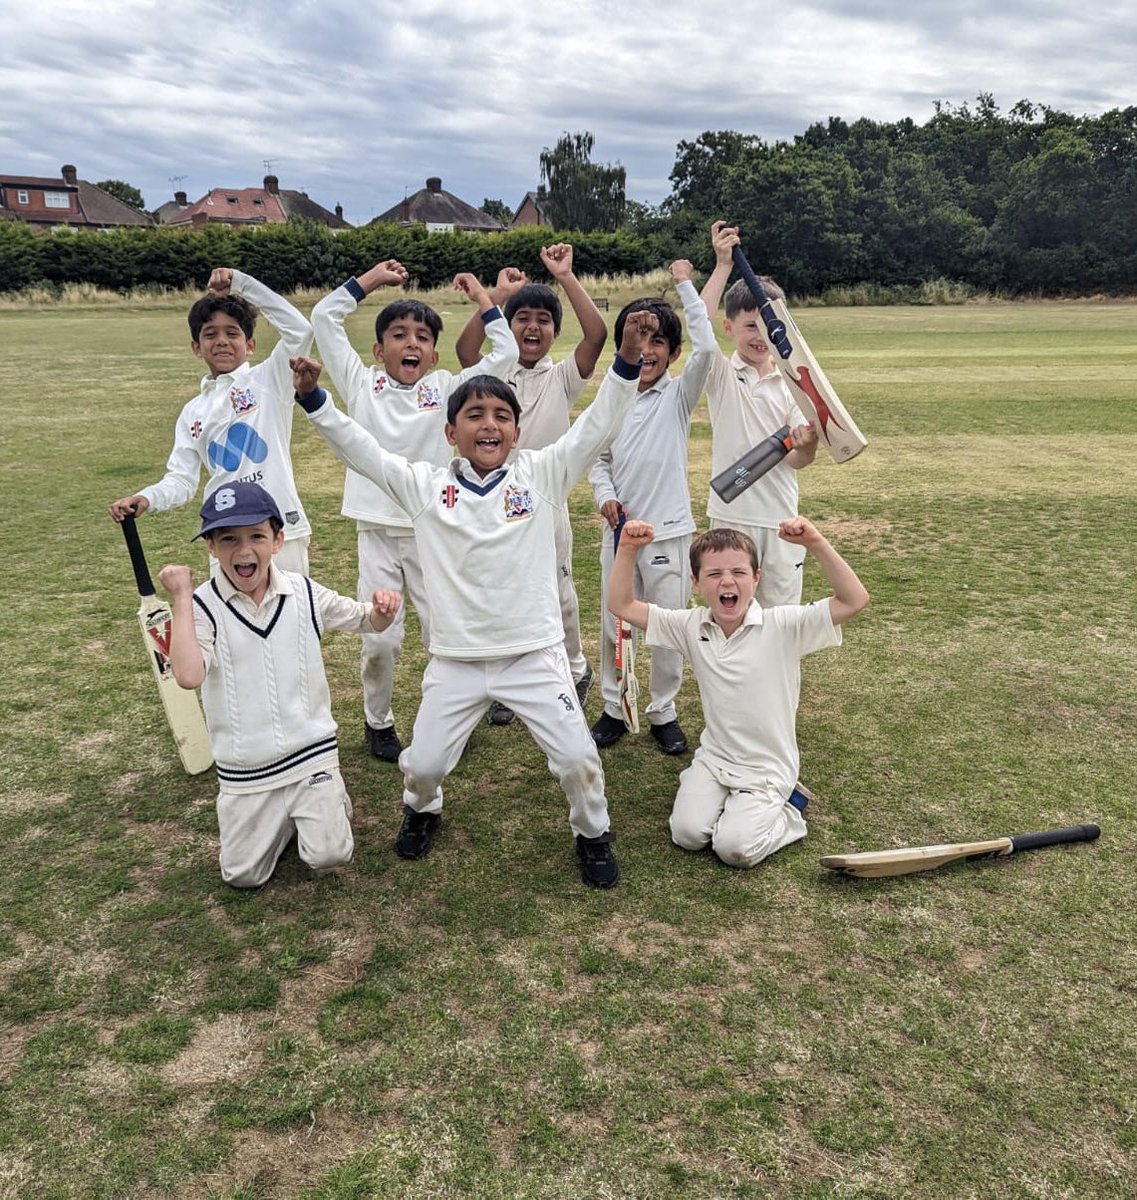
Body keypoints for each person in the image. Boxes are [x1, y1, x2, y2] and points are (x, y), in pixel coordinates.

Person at [288, 303, 664, 888]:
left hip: (534, 657)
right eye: (474, 415)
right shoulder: (425, 487)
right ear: (450, 431)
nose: (488, 425)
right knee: (425, 764)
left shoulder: (542, 475)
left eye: (500, 416)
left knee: (578, 762)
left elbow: (596, 427)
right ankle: (422, 809)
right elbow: (360, 448)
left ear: (516, 430)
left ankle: (593, 833)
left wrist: (627, 360)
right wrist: (315, 401)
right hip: (457, 662)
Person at [311, 262, 518, 763]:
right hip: (378, 533)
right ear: (378, 351)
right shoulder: (361, 384)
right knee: (381, 638)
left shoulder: (446, 388)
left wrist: (485, 298)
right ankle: (377, 722)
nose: (412, 344)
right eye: (399, 335)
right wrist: (373, 281)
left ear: (434, 353)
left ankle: (449, 722)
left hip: (434, 532)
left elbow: (506, 353)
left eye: (422, 337)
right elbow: (323, 317)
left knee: (443, 636)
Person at [157, 481, 401, 888]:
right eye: (228, 539)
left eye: (257, 535)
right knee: (242, 877)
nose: (244, 550)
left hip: (310, 757)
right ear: (212, 548)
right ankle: (286, 822)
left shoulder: (302, 591)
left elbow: (364, 619)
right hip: (247, 770)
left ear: (278, 540)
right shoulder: (200, 606)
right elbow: (188, 675)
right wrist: (181, 597)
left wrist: (382, 610)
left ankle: (326, 796)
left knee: (330, 854)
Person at [608, 518, 869, 868]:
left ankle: (789, 811)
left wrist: (816, 542)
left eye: (739, 572)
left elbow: (854, 600)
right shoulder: (689, 625)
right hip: (715, 758)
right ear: (696, 582)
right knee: (686, 834)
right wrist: (627, 549)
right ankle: (731, 806)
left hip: (767, 766)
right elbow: (622, 605)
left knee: (735, 850)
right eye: (714, 574)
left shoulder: (784, 625)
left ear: (756, 578)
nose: (727, 581)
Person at [455, 243, 608, 726]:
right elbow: (464, 349)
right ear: (508, 324)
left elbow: (598, 334)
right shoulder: (491, 374)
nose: (533, 328)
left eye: (544, 320)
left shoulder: (562, 376)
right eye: (523, 319)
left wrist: (564, 276)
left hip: (546, 500)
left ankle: (576, 668)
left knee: (558, 590)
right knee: (502, 591)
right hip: (492, 501)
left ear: (554, 332)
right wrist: (495, 298)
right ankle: (506, 681)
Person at [588, 262, 717, 755]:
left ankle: (663, 710)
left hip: (667, 533)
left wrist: (685, 283)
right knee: (614, 625)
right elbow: (598, 457)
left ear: (672, 352)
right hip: (620, 535)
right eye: (637, 338)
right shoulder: (613, 393)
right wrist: (605, 498)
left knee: (666, 628)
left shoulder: (679, 394)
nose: (646, 349)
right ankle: (615, 708)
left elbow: (707, 348)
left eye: (657, 340)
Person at [109, 268, 315, 573]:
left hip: (278, 528)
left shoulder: (269, 379)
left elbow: (301, 330)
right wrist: (147, 498)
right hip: (225, 530)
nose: (221, 341)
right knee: (229, 620)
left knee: (292, 617)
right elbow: (182, 480)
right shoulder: (193, 411)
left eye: (232, 333)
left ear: (251, 345)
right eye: (210, 334)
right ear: (196, 348)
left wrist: (243, 285)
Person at [700, 221, 819, 605]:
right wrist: (722, 265)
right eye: (751, 325)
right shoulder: (719, 373)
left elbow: (799, 460)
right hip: (730, 517)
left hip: (780, 520)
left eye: (769, 327)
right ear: (729, 326)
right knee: (731, 625)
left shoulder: (793, 382)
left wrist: (808, 445)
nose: (761, 336)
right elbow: (697, 328)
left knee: (780, 625)